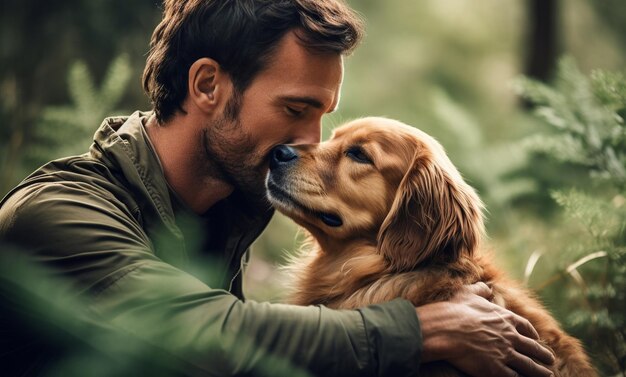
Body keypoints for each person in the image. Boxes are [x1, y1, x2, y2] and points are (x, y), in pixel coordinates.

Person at [0, 0, 556, 376]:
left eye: (322, 116)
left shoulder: (223, 210)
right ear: (208, 85)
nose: (308, 141)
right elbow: (206, 331)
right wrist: (417, 331)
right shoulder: (57, 213)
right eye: (295, 108)